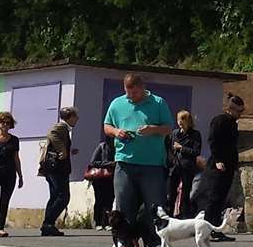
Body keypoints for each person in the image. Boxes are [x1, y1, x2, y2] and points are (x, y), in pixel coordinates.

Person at [102, 73, 173, 221]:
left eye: (134, 93)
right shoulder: (117, 103)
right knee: (123, 206)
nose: (130, 96)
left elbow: (168, 128)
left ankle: (155, 242)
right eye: (127, 93)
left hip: (152, 165)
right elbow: (107, 126)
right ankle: (124, 241)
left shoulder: (158, 103)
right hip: (124, 163)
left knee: (155, 207)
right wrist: (116, 132)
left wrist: (152, 129)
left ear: (143, 88)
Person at [190, 92, 243, 239]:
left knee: (221, 198)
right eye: (239, 111)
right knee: (213, 198)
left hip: (229, 164)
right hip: (217, 165)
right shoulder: (219, 120)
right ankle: (206, 230)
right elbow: (213, 140)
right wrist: (218, 160)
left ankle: (216, 229)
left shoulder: (233, 123)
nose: (240, 114)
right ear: (230, 108)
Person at [38, 107, 77, 236]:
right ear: (69, 117)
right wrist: (62, 150)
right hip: (57, 168)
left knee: (55, 196)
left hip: (54, 168)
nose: (77, 119)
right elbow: (52, 134)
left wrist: (68, 151)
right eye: (75, 117)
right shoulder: (61, 126)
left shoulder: (65, 129)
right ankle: (48, 223)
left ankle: (47, 225)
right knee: (63, 196)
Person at [165, 110, 202, 218]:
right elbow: (168, 148)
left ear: (188, 121)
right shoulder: (174, 133)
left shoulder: (195, 134)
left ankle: (184, 216)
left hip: (187, 167)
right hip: (175, 167)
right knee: (171, 194)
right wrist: (171, 161)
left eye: (182, 119)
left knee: (185, 194)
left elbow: (196, 151)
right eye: (178, 119)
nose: (180, 122)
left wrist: (182, 148)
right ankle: (169, 217)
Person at [84, 139, 116, 229]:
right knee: (100, 199)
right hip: (100, 178)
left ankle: (107, 223)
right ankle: (98, 222)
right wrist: (109, 164)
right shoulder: (102, 147)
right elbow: (93, 162)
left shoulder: (118, 148)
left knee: (109, 200)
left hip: (111, 177)